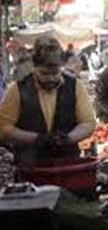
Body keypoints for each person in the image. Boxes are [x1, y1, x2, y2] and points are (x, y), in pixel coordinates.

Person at [0, 36, 95, 166]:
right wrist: (36, 139)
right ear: (35, 67)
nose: (51, 78)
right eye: (44, 73)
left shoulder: (75, 87)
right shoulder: (17, 90)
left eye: (55, 73)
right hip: (30, 168)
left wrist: (68, 139)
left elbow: (88, 123)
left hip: (67, 165)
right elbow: (4, 128)